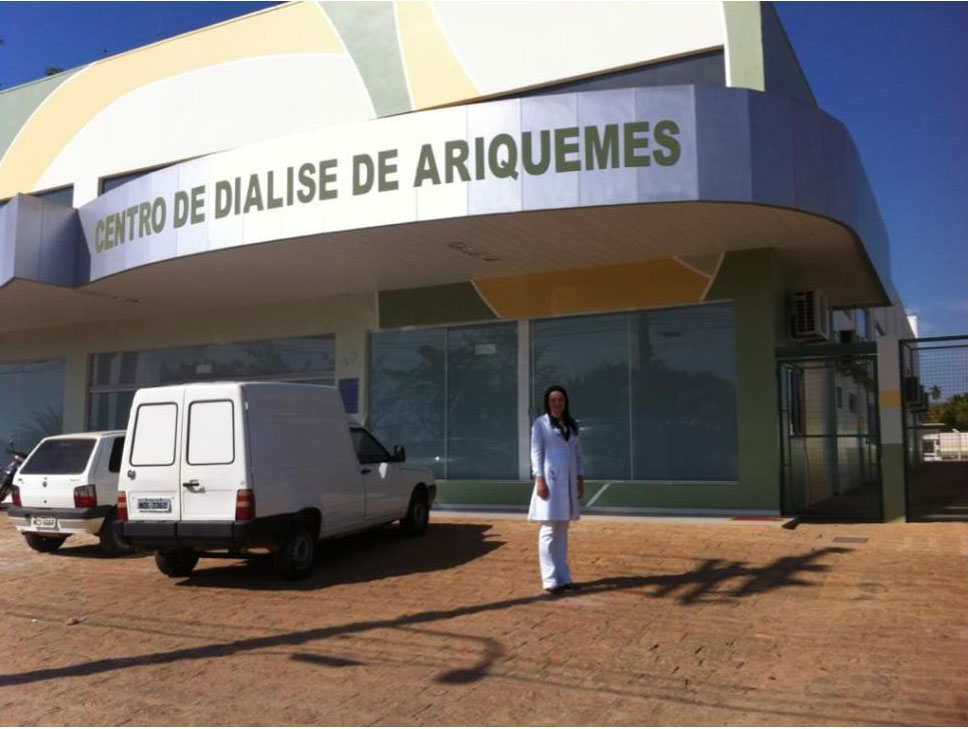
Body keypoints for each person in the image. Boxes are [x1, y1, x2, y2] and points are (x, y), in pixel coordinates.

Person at [528, 385, 584, 594]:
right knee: (549, 531)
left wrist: (580, 476)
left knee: (562, 531)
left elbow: (577, 454)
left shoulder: (572, 425)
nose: (557, 403)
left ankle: (564, 576)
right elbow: (536, 452)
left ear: (565, 402)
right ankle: (549, 578)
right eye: (553, 400)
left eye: (560, 399)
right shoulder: (541, 424)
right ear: (547, 402)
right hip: (549, 481)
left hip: (568, 481)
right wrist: (539, 479)